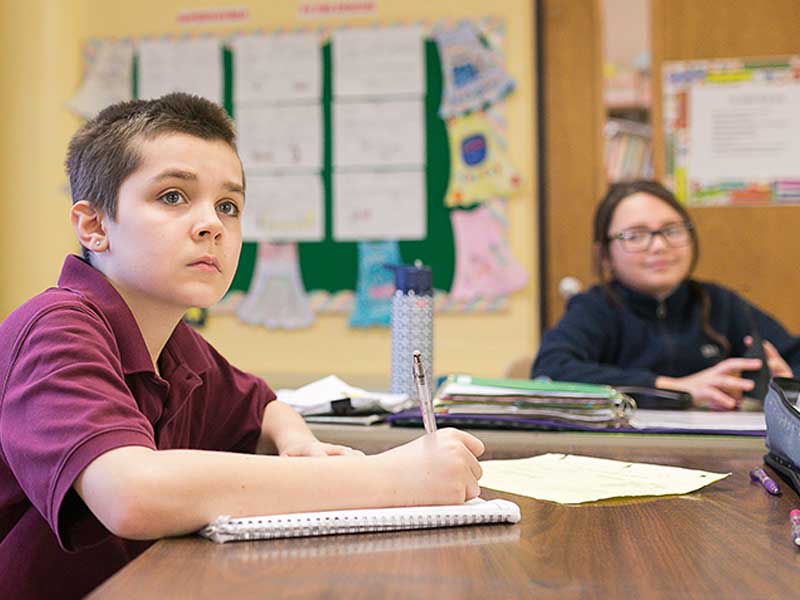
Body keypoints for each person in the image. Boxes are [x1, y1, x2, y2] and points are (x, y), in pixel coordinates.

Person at [0, 93, 485, 599]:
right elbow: (131, 492)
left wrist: (297, 444)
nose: (212, 224)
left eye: (228, 206)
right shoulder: (55, 328)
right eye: (172, 197)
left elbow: (264, 407)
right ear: (95, 226)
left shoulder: (175, 343)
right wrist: (388, 478)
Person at [532, 179, 800, 410]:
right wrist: (675, 389)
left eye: (671, 230)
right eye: (635, 236)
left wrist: (789, 385)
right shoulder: (595, 308)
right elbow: (550, 371)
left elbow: (792, 356)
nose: (659, 246)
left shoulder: (719, 302)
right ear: (605, 254)